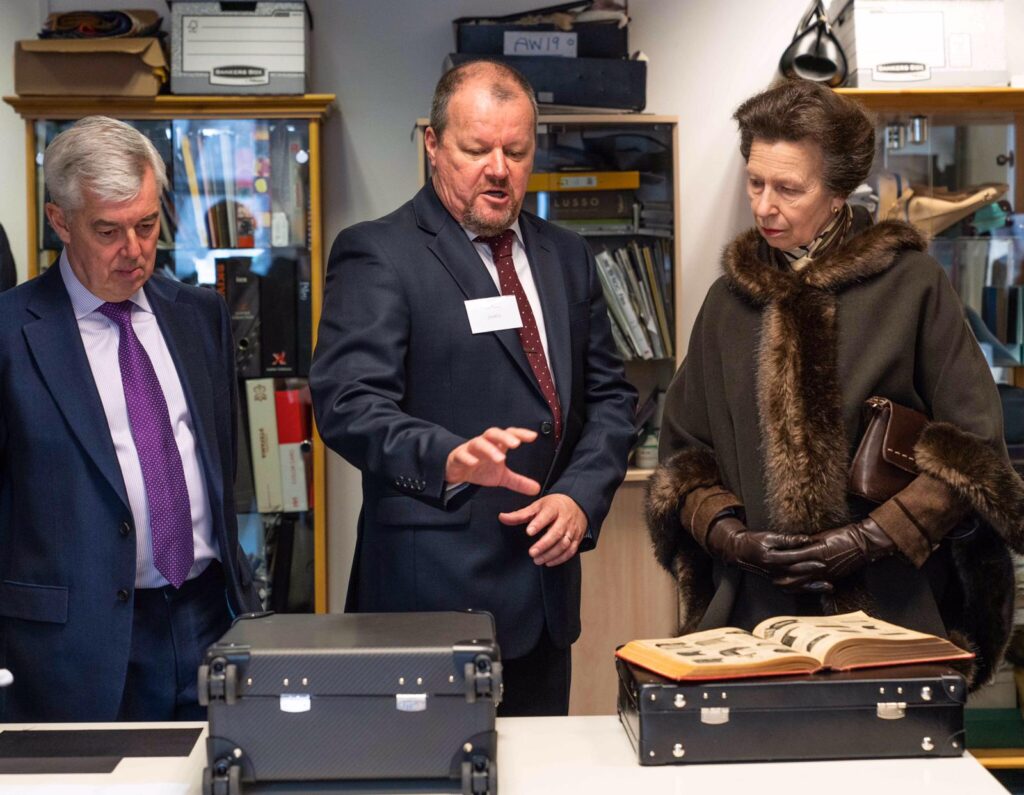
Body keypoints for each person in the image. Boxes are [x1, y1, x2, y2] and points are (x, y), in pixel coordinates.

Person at [645, 79, 1024, 690]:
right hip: (749, 618)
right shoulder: (727, 302)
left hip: (891, 612)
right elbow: (684, 461)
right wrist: (733, 538)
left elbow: (975, 456)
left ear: (840, 191)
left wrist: (869, 538)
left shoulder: (912, 286)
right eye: (755, 182)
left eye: (789, 189)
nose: (764, 206)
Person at [310, 60, 637, 716]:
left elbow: (611, 399)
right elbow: (348, 401)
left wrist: (579, 496)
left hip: (543, 599)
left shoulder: (566, 256)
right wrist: (447, 455)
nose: (498, 168)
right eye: (476, 148)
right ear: (432, 144)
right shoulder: (379, 253)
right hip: (427, 605)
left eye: (516, 151)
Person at [0, 116, 261, 721]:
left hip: (206, 621)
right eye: (108, 230)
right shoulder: (12, 333)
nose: (135, 250)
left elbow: (222, 466)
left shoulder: (200, 316)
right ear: (60, 221)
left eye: (147, 225)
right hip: (71, 645)